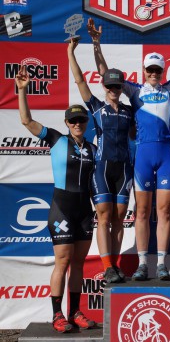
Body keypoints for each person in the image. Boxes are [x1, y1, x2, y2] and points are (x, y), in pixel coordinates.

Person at [87, 15, 170, 280]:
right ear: (144, 69)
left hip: (166, 155)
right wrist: (96, 45)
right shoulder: (135, 91)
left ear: (163, 71)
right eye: (150, 69)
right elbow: (105, 74)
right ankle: (142, 264)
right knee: (143, 212)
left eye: (158, 70)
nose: (154, 73)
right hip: (144, 155)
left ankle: (161, 263)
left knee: (165, 211)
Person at [16, 65, 97, 333]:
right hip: (62, 207)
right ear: (66, 123)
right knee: (62, 262)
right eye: (72, 121)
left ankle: (75, 311)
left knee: (78, 264)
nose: (77, 124)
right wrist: (22, 91)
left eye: (81, 120)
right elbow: (27, 122)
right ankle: (57, 314)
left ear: (86, 123)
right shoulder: (56, 139)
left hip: (85, 210)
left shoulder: (93, 147)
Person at [67, 39, 135, 284]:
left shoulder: (130, 110)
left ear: (121, 87)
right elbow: (81, 81)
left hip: (125, 169)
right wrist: (72, 52)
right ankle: (107, 267)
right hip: (102, 168)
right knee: (104, 217)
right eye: (109, 86)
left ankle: (115, 266)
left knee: (119, 218)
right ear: (104, 86)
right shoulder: (96, 107)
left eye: (117, 86)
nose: (113, 89)